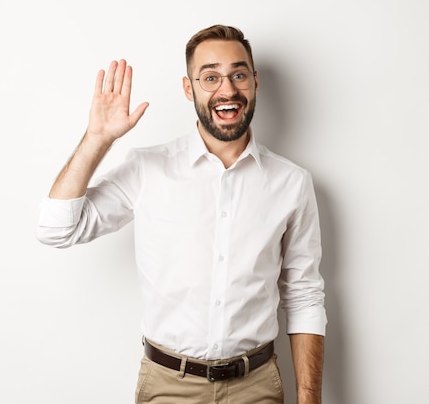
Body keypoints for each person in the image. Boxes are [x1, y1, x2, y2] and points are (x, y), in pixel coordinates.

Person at [36, 25, 327, 404]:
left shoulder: (292, 182)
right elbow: (56, 229)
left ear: (254, 82)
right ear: (189, 88)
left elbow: (304, 295)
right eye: (210, 78)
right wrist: (97, 140)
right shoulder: (148, 168)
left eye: (238, 75)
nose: (227, 90)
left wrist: (310, 400)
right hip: (168, 387)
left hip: (256, 387)